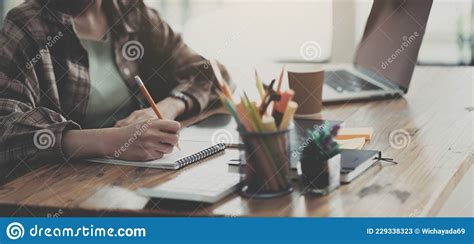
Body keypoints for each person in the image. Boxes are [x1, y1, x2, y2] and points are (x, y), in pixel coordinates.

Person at [0, 0, 230, 181]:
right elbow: (6, 129)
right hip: (63, 189)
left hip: (133, 178)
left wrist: (165, 108)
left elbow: (211, 73)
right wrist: (113, 142)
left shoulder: (130, 11)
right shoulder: (25, 24)